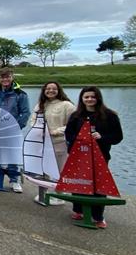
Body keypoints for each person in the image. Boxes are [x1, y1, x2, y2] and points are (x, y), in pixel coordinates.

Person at [64, 86, 123, 228]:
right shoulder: (76, 116)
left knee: (98, 187)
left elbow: (117, 137)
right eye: (86, 97)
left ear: (98, 98)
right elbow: (69, 134)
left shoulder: (110, 116)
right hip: (79, 157)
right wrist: (78, 139)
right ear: (82, 99)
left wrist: (102, 137)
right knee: (78, 183)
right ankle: (78, 210)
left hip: (100, 157)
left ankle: (98, 216)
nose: (90, 99)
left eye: (93, 97)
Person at [0, 67, 30, 192]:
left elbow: (25, 113)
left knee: (12, 154)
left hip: (12, 131)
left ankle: (14, 180)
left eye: (7, 77)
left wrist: (17, 127)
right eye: (3, 77)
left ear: (12, 77)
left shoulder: (20, 94)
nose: (5, 79)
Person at [29, 82, 76, 171]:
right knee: (43, 172)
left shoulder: (67, 105)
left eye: (54, 89)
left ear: (59, 91)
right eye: (48, 89)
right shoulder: (40, 105)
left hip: (60, 143)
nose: (51, 91)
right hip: (42, 144)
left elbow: (73, 125)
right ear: (44, 91)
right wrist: (39, 130)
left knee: (60, 171)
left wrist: (55, 132)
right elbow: (33, 121)